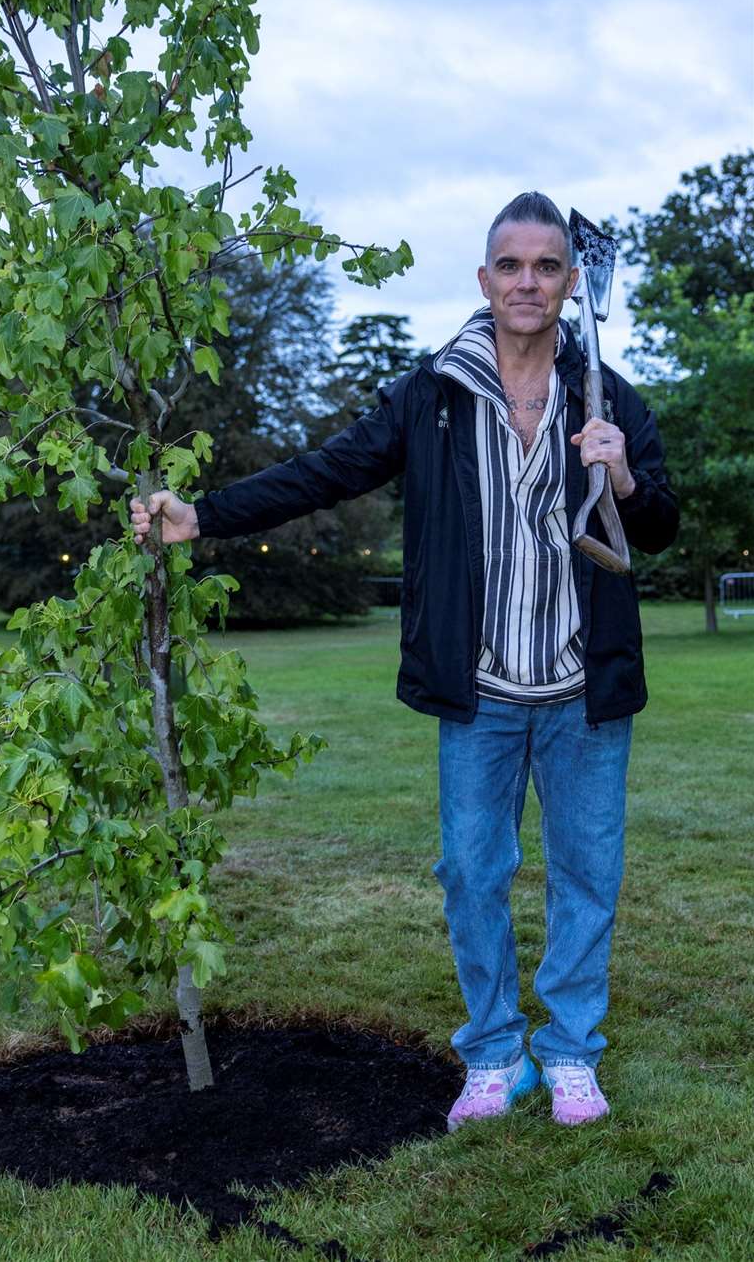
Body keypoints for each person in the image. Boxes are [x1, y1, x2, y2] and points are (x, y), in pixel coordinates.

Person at [128, 192, 678, 1131]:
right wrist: (204, 514)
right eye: (512, 265)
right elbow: (331, 467)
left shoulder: (609, 396)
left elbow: (659, 525)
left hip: (587, 689)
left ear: (571, 280)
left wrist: (621, 473)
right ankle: (497, 1052)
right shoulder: (433, 395)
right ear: (484, 278)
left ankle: (573, 1053)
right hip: (482, 691)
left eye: (548, 266)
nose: (529, 282)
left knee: (588, 876)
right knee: (471, 873)